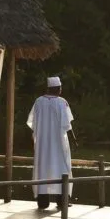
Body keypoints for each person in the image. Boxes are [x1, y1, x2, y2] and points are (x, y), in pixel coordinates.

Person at [27, 76, 77, 210]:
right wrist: (74, 140)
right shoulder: (62, 103)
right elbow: (68, 125)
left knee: (43, 169)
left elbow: (33, 123)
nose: (61, 90)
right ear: (56, 88)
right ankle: (62, 201)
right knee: (62, 168)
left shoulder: (38, 102)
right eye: (60, 88)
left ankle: (43, 201)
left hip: (43, 144)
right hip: (59, 143)